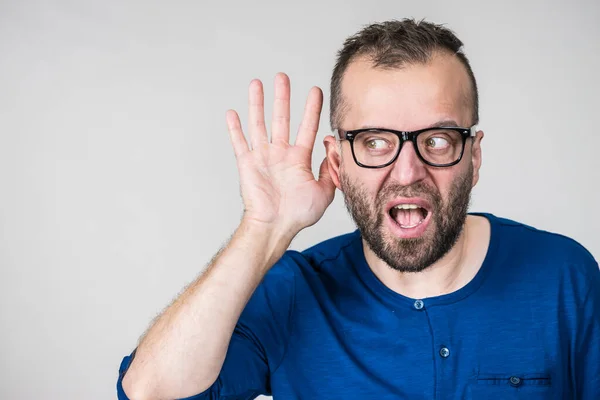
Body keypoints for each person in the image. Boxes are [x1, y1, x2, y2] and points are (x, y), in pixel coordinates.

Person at [116, 19, 600, 400]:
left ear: (473, 157)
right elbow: (151, 393)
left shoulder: (563, 277)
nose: (407, 171)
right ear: (336, 162)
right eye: (374, 141)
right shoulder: (294, 291)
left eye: (437, 139)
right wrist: (262, 228)